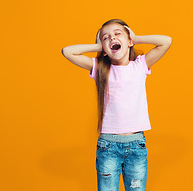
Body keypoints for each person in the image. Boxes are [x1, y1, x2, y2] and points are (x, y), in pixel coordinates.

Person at [62, 19, 172, 190]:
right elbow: (67, 51)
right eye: (105, 37)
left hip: (136, 144)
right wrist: (98, 47)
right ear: (104, 49)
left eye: (117, 34)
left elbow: (166, 41)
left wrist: (135, 37)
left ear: (129, 42)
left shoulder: (140, 65)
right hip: (108, 147)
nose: (111, 38)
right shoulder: (99, 68)